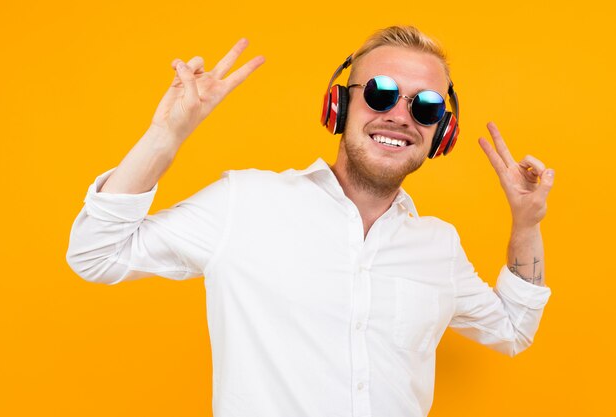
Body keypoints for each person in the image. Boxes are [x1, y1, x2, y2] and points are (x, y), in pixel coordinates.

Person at [67, 26, 554, 417]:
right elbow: (96, 254)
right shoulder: (246, 201)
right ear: (339, 105)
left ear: (441, 131)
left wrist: (527, 222)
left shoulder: (438, 246)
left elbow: (513, 329)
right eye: (381, 93)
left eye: (425, 105)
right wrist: (165, 135)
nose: (401, 116)